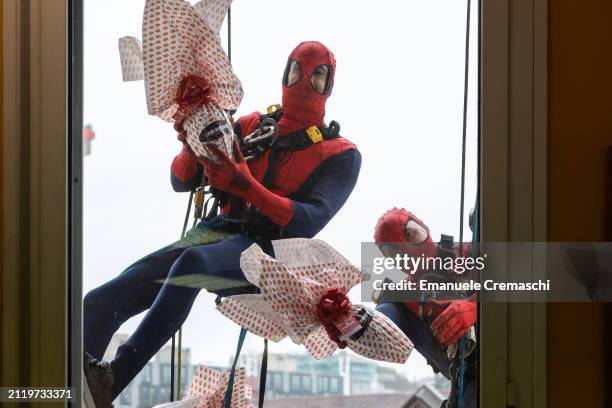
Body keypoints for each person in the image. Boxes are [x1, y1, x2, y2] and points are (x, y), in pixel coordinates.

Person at [83, 41, 361, 407]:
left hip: (265, 254)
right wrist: (190, 138)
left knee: (193, 265)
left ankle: (115, 375)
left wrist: (247, 186)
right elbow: (182, 180)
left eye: (318, 73)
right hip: (214, 234)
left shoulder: (341, 154)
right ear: (285, 72)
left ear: (330, 86)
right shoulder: (249, 125)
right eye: (297, 68)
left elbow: (310, 219)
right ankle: (73, 389)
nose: (305, 78)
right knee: (99, 302)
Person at [373, 207, 477, 408]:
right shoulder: (401, 301)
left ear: (424, 226)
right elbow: (380, 326)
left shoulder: (469, 254)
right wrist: (350, 323)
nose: (409, 249)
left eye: (411, 234)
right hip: (470, 384)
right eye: (395, 251)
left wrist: (474, 306)